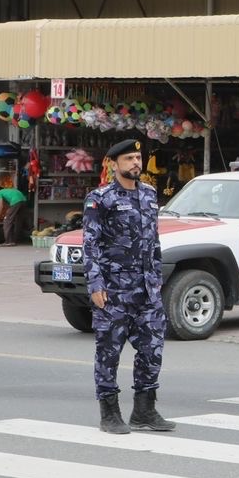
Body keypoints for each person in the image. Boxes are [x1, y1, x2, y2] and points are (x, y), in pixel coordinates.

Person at [82, 139, 174, 435]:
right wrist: (95, 283)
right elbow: (90, 244)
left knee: (152, 349)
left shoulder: (149, 195)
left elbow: (154, 242)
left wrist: (157, 278)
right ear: (114, 163)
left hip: (147, 289)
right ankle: (109, 412)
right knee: (108, 351)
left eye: (138, 157)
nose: (136, 162)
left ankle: (144, 410)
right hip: (114, 290)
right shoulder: (100, 198)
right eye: (130, 158)